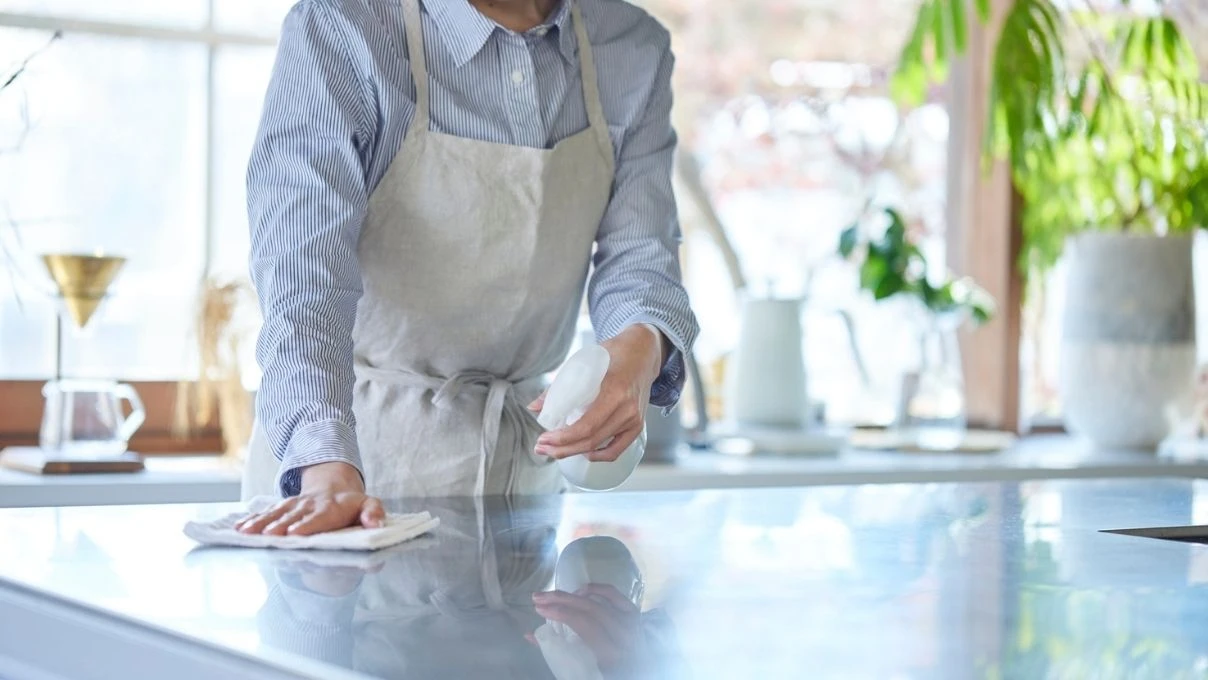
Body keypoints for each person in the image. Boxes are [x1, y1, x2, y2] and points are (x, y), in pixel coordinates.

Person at [236, 0, 698, 536]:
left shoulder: (631, 45)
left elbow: (641, 255)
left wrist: (637, 352)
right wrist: (323, 466)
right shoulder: (343, 26)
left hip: (521, 488)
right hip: (350, 471)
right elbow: (304, 277)